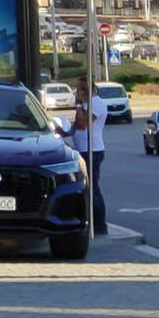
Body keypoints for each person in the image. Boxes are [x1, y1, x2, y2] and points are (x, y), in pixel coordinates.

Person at [71, 86, 107, 235]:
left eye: (80, 89)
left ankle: (99, 225)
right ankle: (90, 221)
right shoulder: (86, 104)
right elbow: (78, 125)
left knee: (92, 188)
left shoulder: (96, 103)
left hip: (91, 150)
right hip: (83, 148)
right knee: (85, 187)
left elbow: (83, 123)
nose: (77, 92)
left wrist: (78, 104)